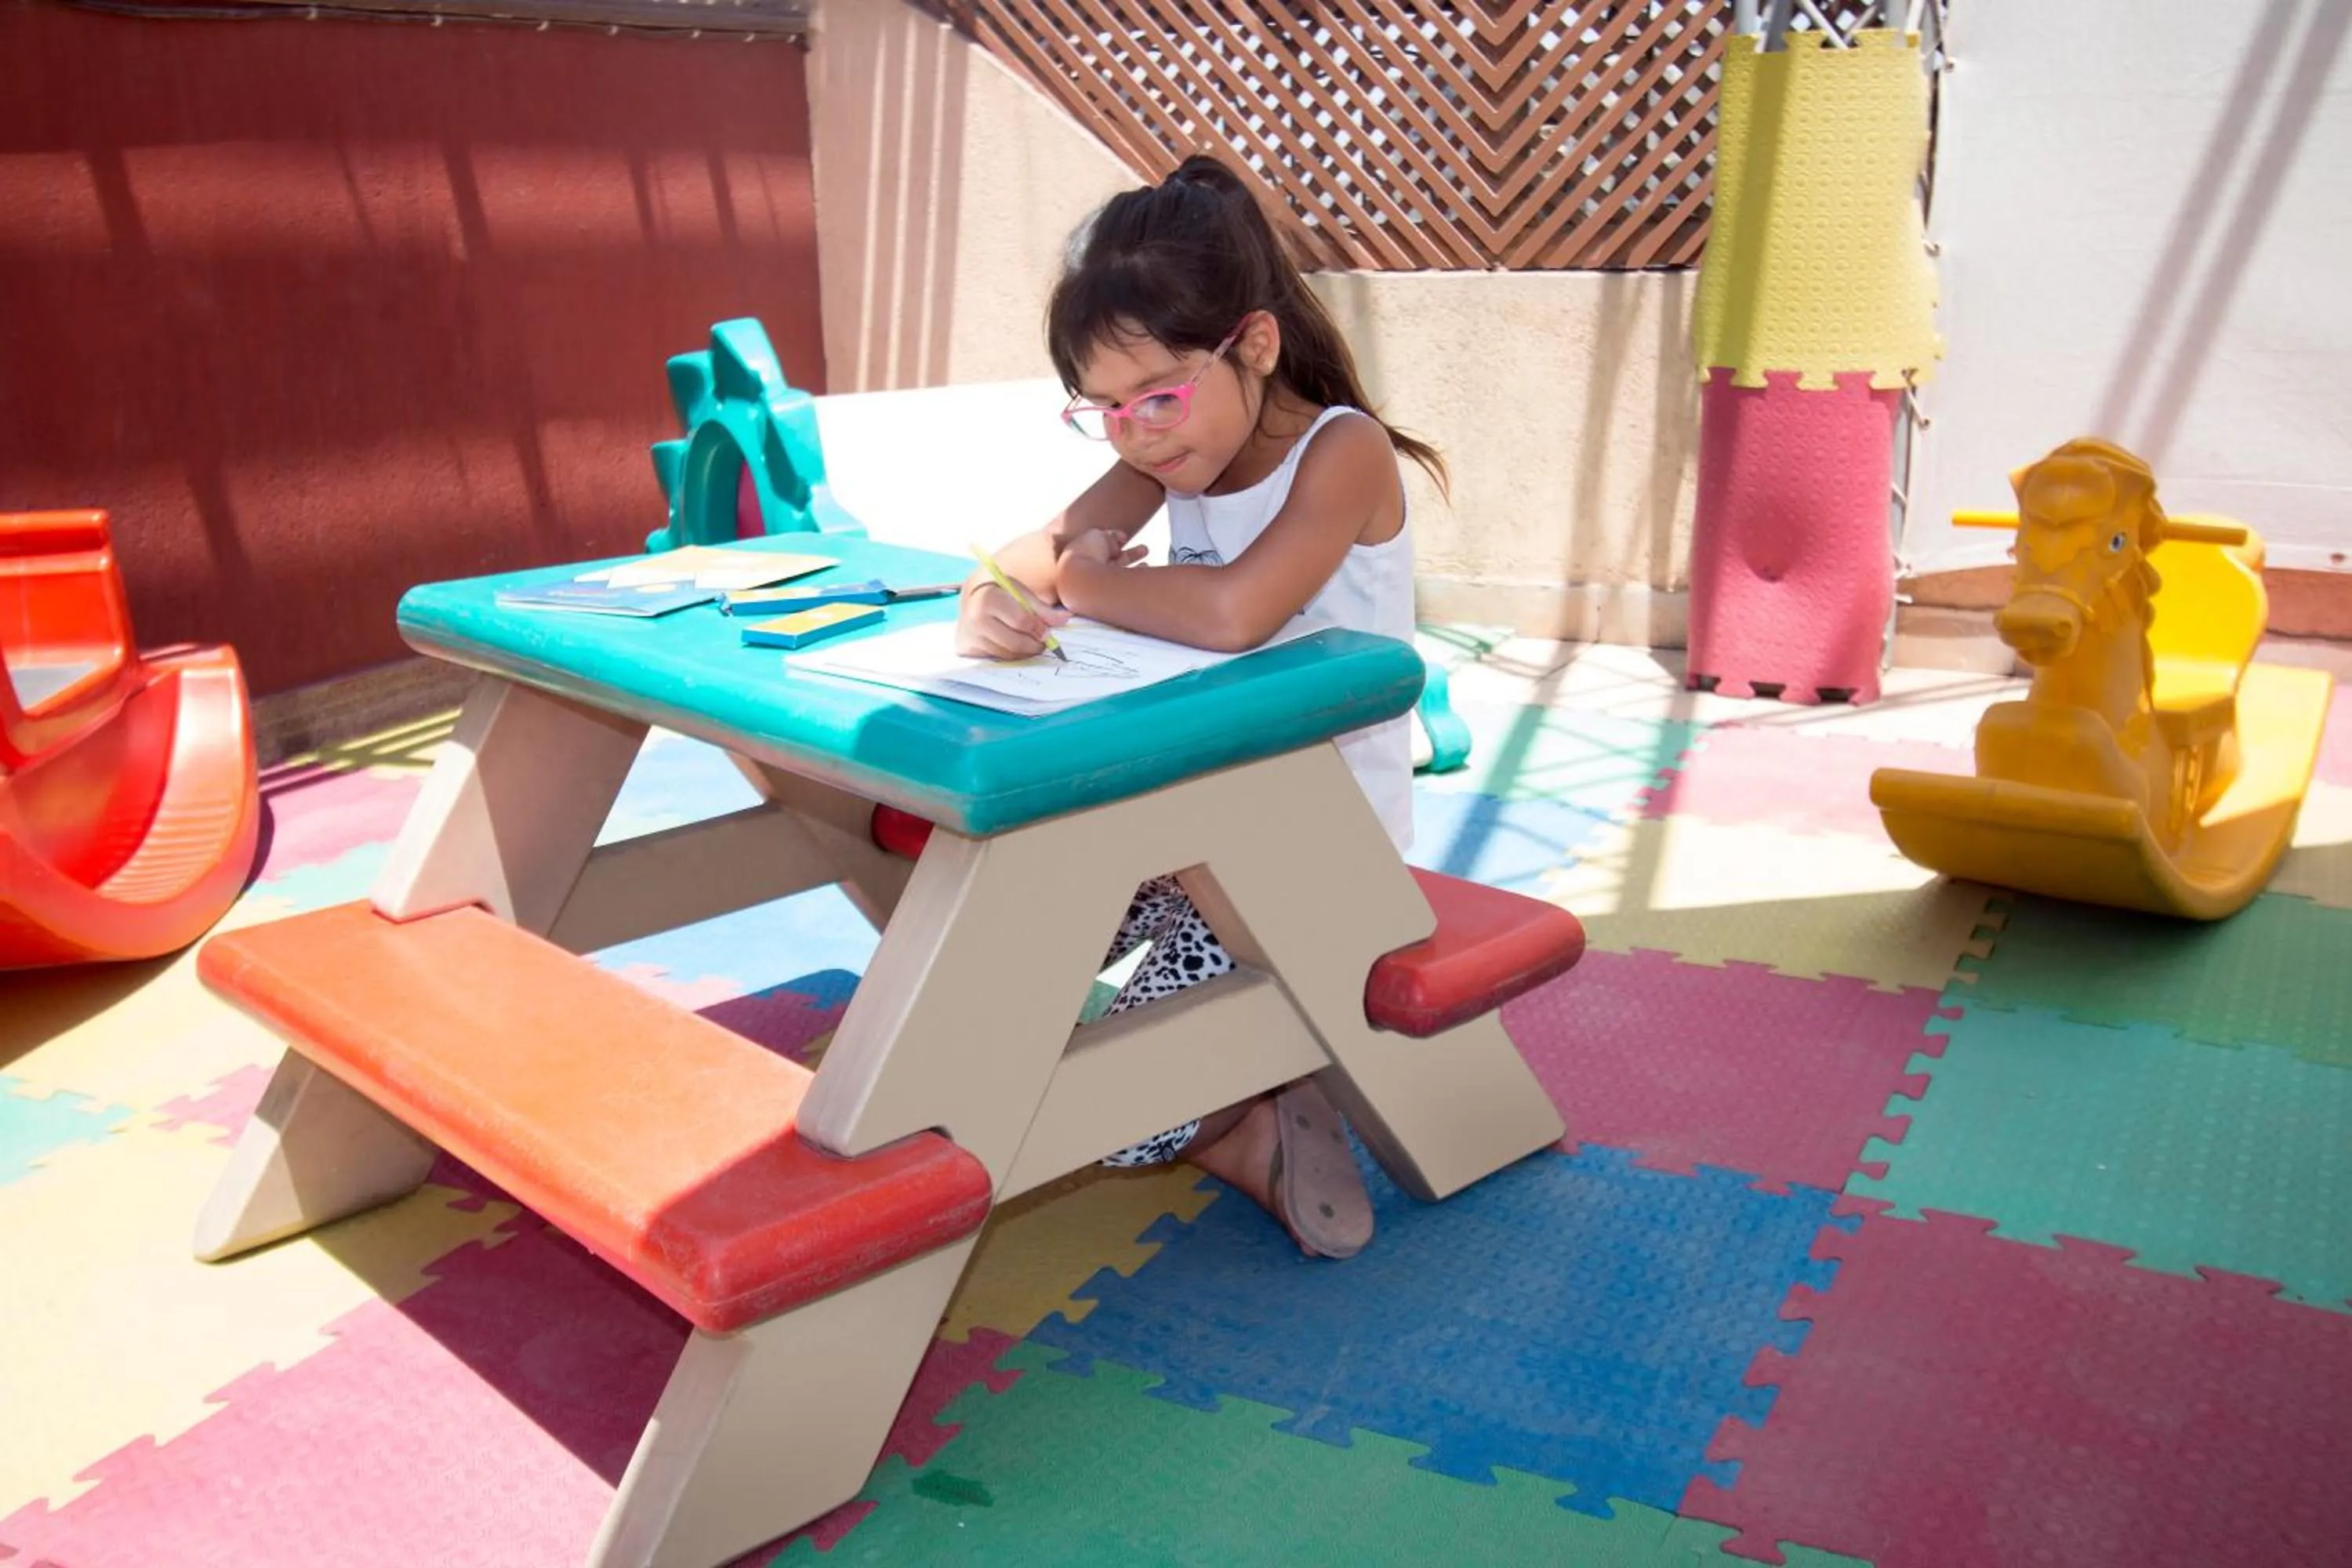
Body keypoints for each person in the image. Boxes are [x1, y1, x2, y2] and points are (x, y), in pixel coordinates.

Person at [954, 154, 1444, 1260]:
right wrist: (990, 598)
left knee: (1114, 1115)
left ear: (1255, 346)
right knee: (1007, 956)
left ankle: (1249, 1118)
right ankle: (1266, 1086)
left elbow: (1231, 613)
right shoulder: (1169, 455)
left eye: (1160, 397)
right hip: (1183, 829)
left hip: (1318, 856)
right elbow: (1017, 559)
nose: (1138, 435)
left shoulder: (1341, 453)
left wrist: (1079, 577)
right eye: (1107, 412)